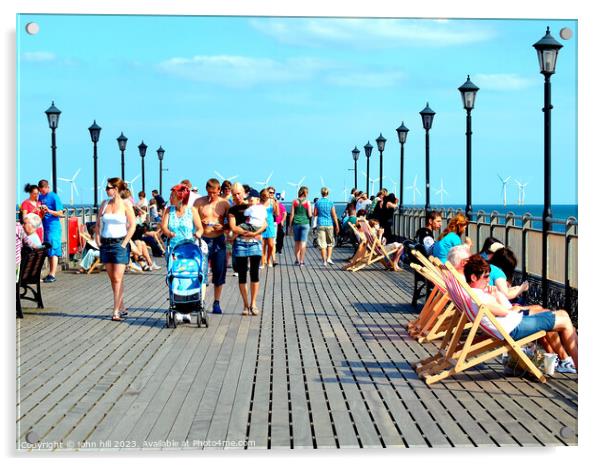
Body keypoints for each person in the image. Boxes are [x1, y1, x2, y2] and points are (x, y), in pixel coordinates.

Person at [463, 254, 577, 372]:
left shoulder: (473, 293)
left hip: (510, 324)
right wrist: (494, 295)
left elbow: (506, 309)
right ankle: (572, 363)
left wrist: (495, 294)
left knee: (562, 314)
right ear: (474, 278)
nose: (488, 280)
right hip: (512, 328)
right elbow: (506, 310)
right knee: (564, 319)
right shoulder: (480, 296)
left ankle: (568, 361)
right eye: (486, 277)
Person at [162, 184, 205, 323]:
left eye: (172, 196)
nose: (170, 198)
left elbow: (200, 228)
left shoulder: (191, 211)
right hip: (174, 249)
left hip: (189, 249)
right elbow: (163, 226)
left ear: (180, 198)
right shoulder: (169, 210)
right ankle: (178, 307)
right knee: (175, 277)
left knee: (189, 277)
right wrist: (168, 233)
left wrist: (197, 233)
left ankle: (189, 307)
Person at [95, 178, 136, 321]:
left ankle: (116, 310)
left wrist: (125, 243)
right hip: (106, 243)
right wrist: (97, 237)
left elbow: (132, 225)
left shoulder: (126, 205)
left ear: (116, 189)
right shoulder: (105, 204)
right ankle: (122, 305)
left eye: (109, 188)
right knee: (113, 278)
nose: (106, 190)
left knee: (118, 278)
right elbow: (98, 222)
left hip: (120, 243)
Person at [228, 184, 267, 315]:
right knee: (242, 274)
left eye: (239, 193)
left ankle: (253, 303)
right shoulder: (233, 210)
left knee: (254, 273)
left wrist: (255, 233)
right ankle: (245, 305)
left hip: (255, 243)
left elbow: (264, 223)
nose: (236, 196)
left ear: (244, 193)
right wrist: (248, 233)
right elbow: (233, 228)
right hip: (240, 244)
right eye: (233, 194)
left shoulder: (253, 205)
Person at [194, 178, 230, 314]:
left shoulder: (224, 204)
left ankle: (216, 302)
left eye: (214, 193)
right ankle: (200, 300)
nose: (211, 196)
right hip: (204, 239)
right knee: (201, 271)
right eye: (209, 193)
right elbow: (192, 219)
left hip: (218, 239)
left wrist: (223, 226)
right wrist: (199, 223)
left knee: (219, 271)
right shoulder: (199, 202)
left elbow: (231, 222)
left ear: (218, 190)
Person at [37, 179, 64, 283]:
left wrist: (48, 210)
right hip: (44, 227)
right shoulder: (40, 197)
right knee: (47, 250)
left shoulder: (54, 196)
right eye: (40, 191)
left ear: (48, 187)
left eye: (43, 191)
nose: (42, 193)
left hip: (54, 227)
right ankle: (49, 273)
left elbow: (61, 213)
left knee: (53, 250)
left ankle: (52, 274)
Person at [314, 187, 339, 266]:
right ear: (328, 193)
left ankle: (324, 261)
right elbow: (334, 215)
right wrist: (337, 225)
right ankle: (329, 258)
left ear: (321, 193)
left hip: (321, 223)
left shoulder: (317, 202)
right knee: (330, 242)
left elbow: (314, 214)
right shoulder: (330, 202)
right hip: (329, 224)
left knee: (322, 244)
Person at [288, 186, 312, 267]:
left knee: (297, 243)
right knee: (303, 243)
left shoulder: (294, 201)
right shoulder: (308, 202)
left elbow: (291, 214)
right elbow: (310, 214)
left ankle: (297, 260)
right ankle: (302, 261)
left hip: (296, 223)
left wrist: (290, 226)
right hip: (305, 223)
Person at [261, 187, 279, 268]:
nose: (270, 194)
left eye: (272, 193)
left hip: (270, 223)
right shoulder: (260, 202)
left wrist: (276, 204)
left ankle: (268, 259)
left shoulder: (273, 202)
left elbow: (277, 214)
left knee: (271, 244)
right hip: (261, 223)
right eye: (269, 192)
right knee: (263, 244)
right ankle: (263, 262)